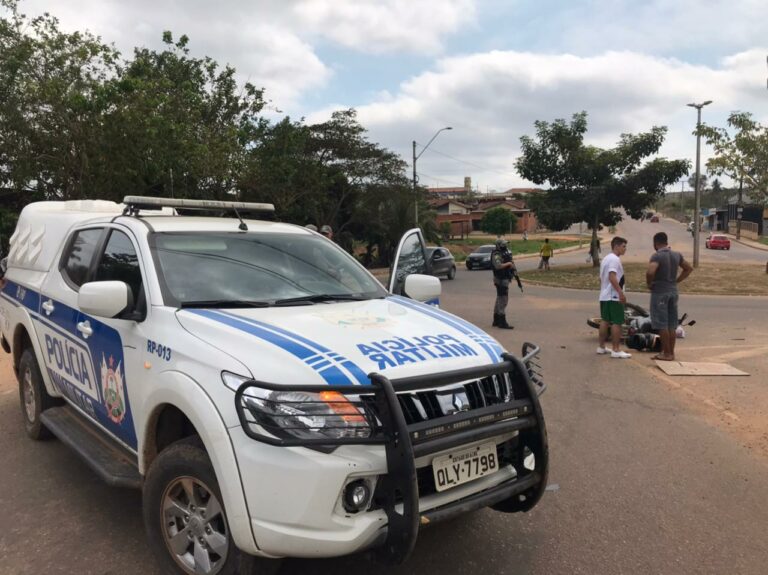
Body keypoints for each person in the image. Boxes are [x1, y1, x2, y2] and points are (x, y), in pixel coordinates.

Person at [646, 232, 693, 361]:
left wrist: (649, 283)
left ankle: (666, 353)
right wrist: (677, 280)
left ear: (655, 243)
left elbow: (650, 271)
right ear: (666, 242)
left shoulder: (657, 256)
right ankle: (671, 353)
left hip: (660, 292)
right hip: (673, 291)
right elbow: (688, 268)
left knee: (662, 324)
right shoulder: (676, 255)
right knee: (672, 324)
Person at [597, 236, 632, 358]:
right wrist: (620, 293)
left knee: (605, 321)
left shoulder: (606, 258)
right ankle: (616, 350)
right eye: (623, 246)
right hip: (613, 296)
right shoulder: (614, 260)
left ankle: (601, 347)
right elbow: (612, 277)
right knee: (617, 322)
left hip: (604, 295)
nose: (625, 249)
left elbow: (601, 278)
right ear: (616, 246)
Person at [490, 238, 516, 329]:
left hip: (504, 278)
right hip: (500, 279)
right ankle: (502, 322)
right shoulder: (496, 254)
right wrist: (508, 264)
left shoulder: (505, 252)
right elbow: (498, 266)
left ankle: (496, 320)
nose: (505, 246)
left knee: (499, 298)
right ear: (499, 245)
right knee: (503, 300)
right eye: (503, 244)